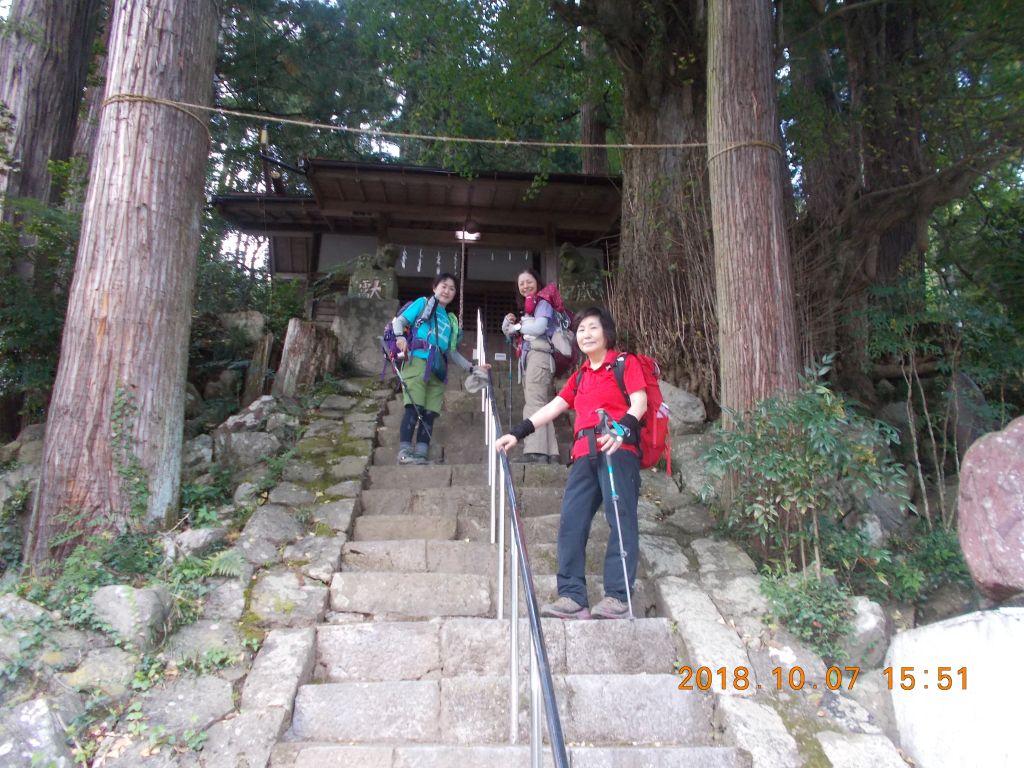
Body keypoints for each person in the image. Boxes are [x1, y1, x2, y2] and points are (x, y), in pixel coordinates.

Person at [495, 307, 647, 620]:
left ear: (606, 333)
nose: (586, 335)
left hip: (617, 449)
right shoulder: (580, 377)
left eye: (592, 328)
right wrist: (517, 432)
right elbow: (554, 406)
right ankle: (572, 596)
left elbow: (639, 402)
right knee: (571, 523)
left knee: (620, 520)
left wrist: (623, 427)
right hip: (582, 455)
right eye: (580, 330)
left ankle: (618, 597)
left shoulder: (623, 363)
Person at [391, 273, 480, 465]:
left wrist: (472, 368)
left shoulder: (449, 320)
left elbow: (451, 351)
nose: (447, 291)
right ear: (434, 288)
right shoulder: (423, 303)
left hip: (438, 369)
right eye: (444, 286)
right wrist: (400, 338)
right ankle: (405, 452)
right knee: (414, 408)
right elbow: (399, 321)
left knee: (430, 413)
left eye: (452, 288)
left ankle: (421, 454)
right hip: (417, 361)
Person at [501, 268, 559, 464]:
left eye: (529, 281)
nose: (525, 286)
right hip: (533, 357)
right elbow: (513, 333)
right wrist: (508, 324)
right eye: (521, 283)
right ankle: (550, 452)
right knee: (541, 404)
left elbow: (540, 327)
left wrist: (517, 327)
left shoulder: (542, 303)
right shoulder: (529, 308)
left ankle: (536, 451)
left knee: (534, 403)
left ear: (537, 281)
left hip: (539, 356)